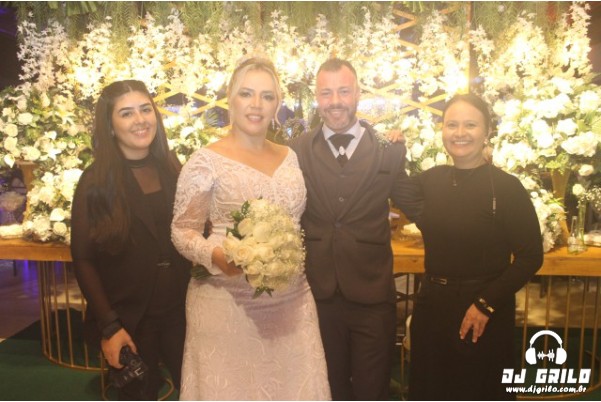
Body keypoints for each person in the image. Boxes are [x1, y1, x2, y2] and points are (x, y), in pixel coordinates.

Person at [171, 57, 331, 400]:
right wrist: (216, 256)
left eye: (267, 96)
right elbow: (182, 230)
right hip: (226, 301)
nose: (256, 104)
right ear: (230, 98)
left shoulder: (290, 156)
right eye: (247, 93)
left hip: (292, 301)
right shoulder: (205, 161)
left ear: (277, 104)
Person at [289, 58, 419, 400]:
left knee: (371, 391)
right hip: (318, 293)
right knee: (327, 389)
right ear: (316, 98)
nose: (335, 101)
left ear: (358, 93)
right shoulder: (298, 149)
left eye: (344, 91)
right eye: (326, 93)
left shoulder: (388, 149)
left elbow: (418, 205)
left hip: (372, 294)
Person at [408, 93, 544, 400]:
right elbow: (390, 185)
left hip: (484, 310)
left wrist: (485, 303)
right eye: (452, 124)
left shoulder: (507, 187)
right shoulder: (429, 181)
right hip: (432, 307)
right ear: (442, 130)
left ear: (487, 131)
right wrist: (392, 146)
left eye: (470, 125)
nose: (460, 133)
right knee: (430, 389)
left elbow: (530, 256)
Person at [70, 80, 191, 400]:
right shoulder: (95, 182)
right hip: (130, 320)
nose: (140, 120)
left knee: (197, 391)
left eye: (145, 109)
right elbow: (83, 259)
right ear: (110, 126)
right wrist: (110, 326)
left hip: (181, 312)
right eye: (126, 113)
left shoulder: (173, 169)